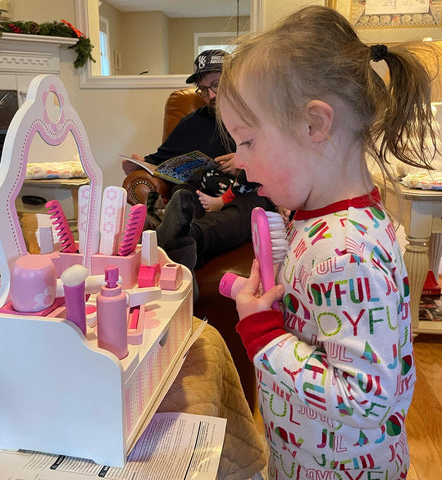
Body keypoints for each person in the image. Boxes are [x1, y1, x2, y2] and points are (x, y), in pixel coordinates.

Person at [216, 6, 438, 479]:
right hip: (307, 453)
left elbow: (364, 399)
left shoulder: (343, 253)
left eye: (248, 142)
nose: (240, 162)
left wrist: (263, 336)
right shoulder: (329, 223)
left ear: (315, 125)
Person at [132, 49, 274, 273]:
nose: (211, 96)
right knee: (185, 193)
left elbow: (281, 159)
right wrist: (137, 166)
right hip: (201, 195)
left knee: (254, 207)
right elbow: (158, 160)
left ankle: (185, 239)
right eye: (203, 90)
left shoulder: (258, 115)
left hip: (244, 193)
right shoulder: (192, 123)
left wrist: (243, 162)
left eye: (216, 85)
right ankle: (184, 244)